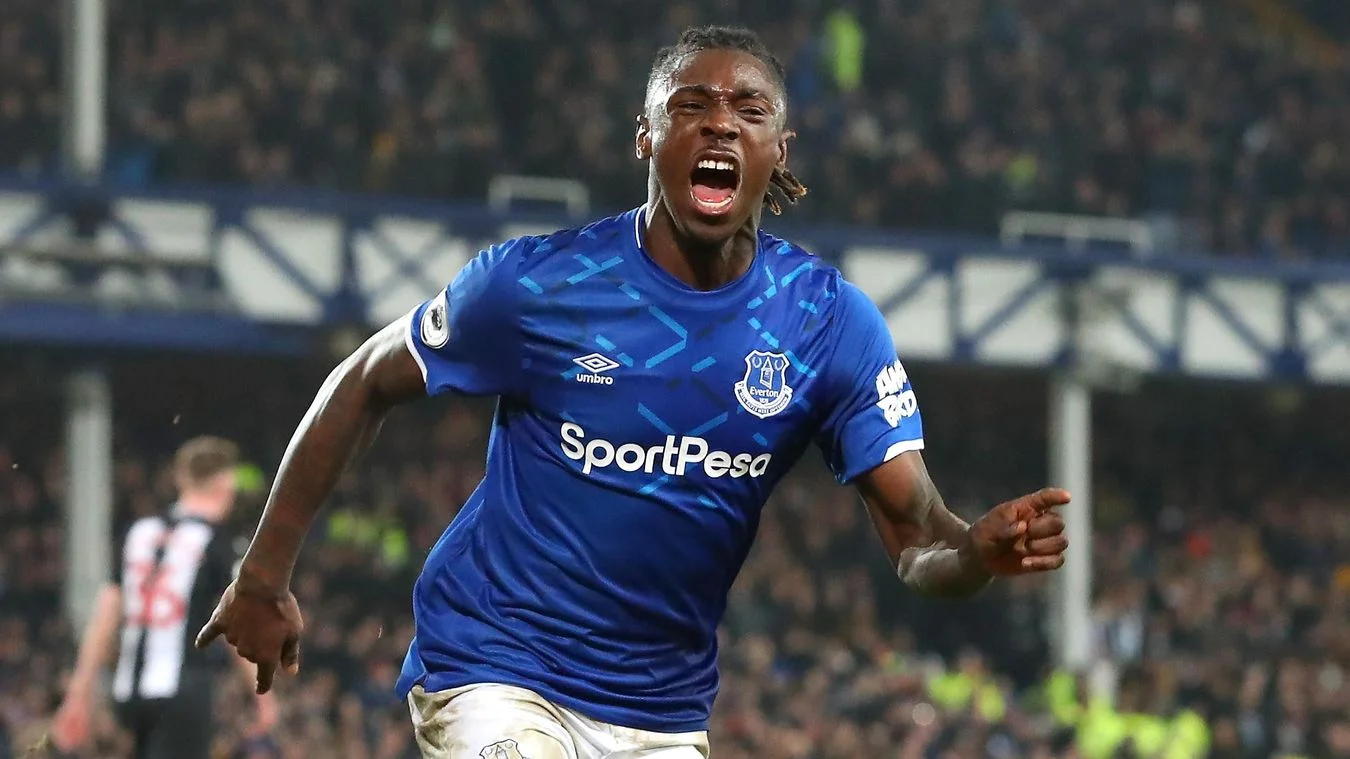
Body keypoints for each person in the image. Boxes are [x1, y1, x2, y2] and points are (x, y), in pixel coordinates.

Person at [195, 25, 1070, 758]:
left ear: (779, 149)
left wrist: (975, 553)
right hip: (496, 664)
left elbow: (921, 541)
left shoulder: (826, 323)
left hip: (659, 713)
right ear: (645, 136)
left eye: (748, 110)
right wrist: (263, 574)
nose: (719, 123)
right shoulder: (538, 286)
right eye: (691, 105)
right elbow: (362, 380)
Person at [51, 436, 276, 758]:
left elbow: (104, 618)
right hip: (183, 691)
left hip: (129, 691)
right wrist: (263, 693)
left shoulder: (139, 532)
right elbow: (235, 621)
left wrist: (79, 694)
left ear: (182, 479)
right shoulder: (219, 543)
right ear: (225, 483)